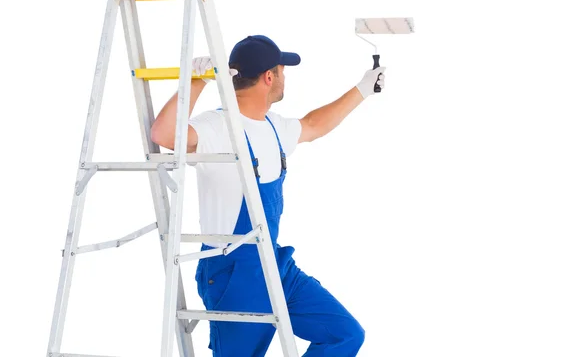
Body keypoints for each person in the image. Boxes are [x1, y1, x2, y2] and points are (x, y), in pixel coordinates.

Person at [150, 34, 386, 357]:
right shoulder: (218, 127)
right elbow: (163, 134)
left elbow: (314, 125)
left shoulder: (275, 127)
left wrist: (363, 89)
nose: (285, 77)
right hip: (233, 275)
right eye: (282, 70)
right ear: (269, 77)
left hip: (274, 264)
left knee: (344, 335)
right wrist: (196, 82)